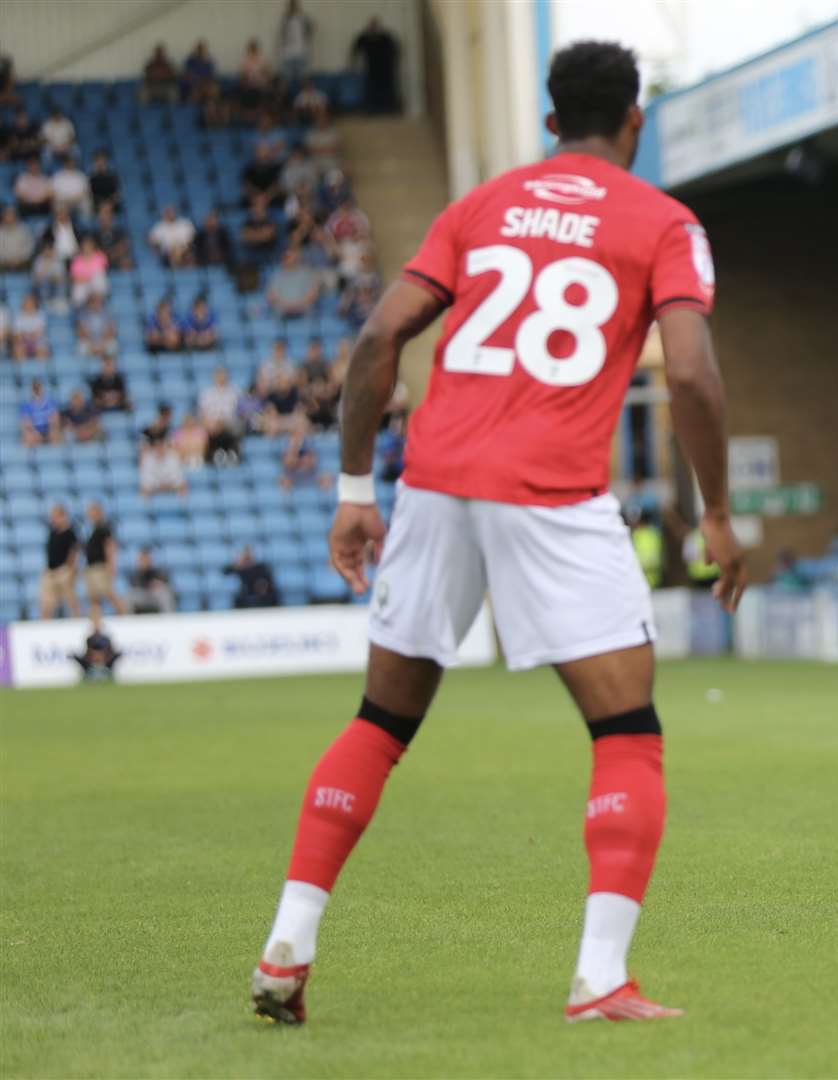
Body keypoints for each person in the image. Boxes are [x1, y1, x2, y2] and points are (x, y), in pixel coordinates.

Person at [248, 40, 743, 1028]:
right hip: (551, 493)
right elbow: (688, 373)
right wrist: (719, 512)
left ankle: (286, 948)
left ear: (551, 121)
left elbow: (380, 337)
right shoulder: (664, 222)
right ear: (634, 124)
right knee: (626, 733)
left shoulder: (482, 205)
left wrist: (355, 490)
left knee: (380, 724)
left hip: (433, 483)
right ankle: (601, 978)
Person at [350, 17, 402, 113]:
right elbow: (355, 51)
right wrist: (353, 66)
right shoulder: (364, 37)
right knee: (371, 90)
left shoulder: (385, 37)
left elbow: (395, 50)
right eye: (371, 25)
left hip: (386, 70)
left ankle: (389, 109)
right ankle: (372, 109)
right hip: (371, 70)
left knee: (387, 90)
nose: (373, 27)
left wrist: (394, 63)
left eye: (375, 25)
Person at [82, 501, 124, 616]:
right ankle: (96, 620)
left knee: (108, 593)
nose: (89, 514)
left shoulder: (104, 527)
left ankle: (123, 614)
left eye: (91, 511)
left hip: (100, 566)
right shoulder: (94, 528)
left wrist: (111, 565)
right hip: (92, 566)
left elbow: (110, 546)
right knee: (93, 596)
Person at [39, 504, 80, 618]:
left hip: (64, 569)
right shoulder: (53, 532)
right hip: (51, 570)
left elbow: (74, 551)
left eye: (56, 516)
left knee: (70, 597)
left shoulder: (70, 532)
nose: (53, 519)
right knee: (47, 600)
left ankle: (77, 618)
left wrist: (71, 568)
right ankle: (45, 623)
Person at [267, 246, 321, 317]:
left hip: (304, 311)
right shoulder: (275, 275)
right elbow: (271, 296)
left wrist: (297, 306)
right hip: (282, 312)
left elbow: (313, 295)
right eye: (284, 256)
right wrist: (286, 306)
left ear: (296, 257)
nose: (285, 258)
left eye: (288, 256)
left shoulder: (308, 273)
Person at [73, 612, 121, 683]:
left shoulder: (106, 638)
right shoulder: (89, 639)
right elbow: (87, 653)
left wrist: (101, 657)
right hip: (91, 661)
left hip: (105, 660)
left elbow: (110, 650)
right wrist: (95, 657)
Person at [128, 547, 176, 614]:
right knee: (130, 596)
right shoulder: (135, 573)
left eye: (147, 558)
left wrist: (158, 584)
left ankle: (168, 619)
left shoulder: (158, 572)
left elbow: (167, 583)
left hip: (155, 597)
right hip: (142, 597)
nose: (145, 561)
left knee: (165, 593)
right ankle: (129, 620)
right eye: (143, 559)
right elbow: (134, 586)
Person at [278, 0, 314, 84]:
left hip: (301, 52)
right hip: (288, 53)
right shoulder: (285, 19)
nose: (292, 8)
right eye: (291, 6)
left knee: (303, 79)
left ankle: (301, 96)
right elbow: (282, 35)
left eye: (294, 6)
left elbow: (310, 31)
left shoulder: (303, 18)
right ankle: (289, 96)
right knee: (287, 80)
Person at [19, 379, 62, 446]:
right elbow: (26, 422)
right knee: (28, 437)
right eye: (35, 388)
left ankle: (55, 454)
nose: (37, 390)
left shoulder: (51, 402)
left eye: (38, 387)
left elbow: (55, 419)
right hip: (34, 431)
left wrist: (50, 429)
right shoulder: (26, 405)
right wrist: (35, 432)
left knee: (55, 435)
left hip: (48, 429)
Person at [11, 293, 50, 359]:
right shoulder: (18, 316)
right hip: (23, 342)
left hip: (37, 342)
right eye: (27, 302)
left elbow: (39, 332)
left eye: (30, 303)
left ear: (34, 303)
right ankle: (21, 369)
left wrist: (27, 335)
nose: (29, 304)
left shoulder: (40, 315)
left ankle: (40, 368)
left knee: (42, 351)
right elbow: (17, 334)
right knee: (18, 350)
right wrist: (27, 336)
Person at [0, 204, 34, 269]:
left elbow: (29, 247)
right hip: (2, 264)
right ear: (3, 216)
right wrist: (5, 260)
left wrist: (20, 259)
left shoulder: (24, 229)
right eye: (7, 215)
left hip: (22, 263)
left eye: (11, 215)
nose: (9, 217)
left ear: (15, 216)